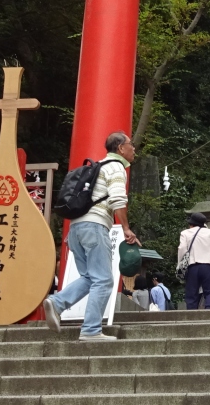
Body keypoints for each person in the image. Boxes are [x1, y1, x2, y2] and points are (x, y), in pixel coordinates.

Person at [42, 131, 141, 339]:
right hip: (95, 227)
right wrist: (126, 228)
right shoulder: (116, 167)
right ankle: (91, 330)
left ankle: (57, 303)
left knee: (90, 276)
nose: (133, 148)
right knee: (103, 280)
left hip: (76, 228)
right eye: (130, 144)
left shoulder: (98, 167)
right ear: (120, 148)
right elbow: (118, 200)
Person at [178, 211, 210, 310]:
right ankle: (208, 310)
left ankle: (191, 313)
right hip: (208, 265)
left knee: (191, 292)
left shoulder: (185, 233)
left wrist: (180, 264)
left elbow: (182, 249)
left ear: (191, 223)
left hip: (192, 266)